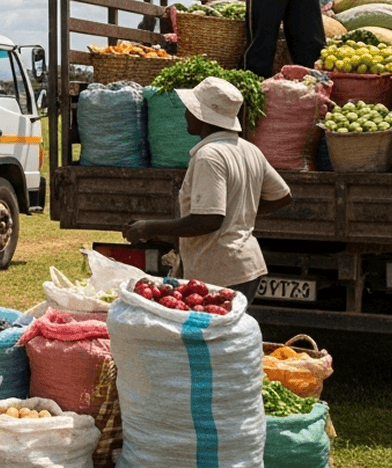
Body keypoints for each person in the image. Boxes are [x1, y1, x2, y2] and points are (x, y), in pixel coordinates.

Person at [123, 76, 292, 303]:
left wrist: (148, 227)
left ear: (203, 117)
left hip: (220, 272)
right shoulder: (249, 149)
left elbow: (208, 220)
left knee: (214, 336)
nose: (185, 114)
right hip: (245, 267)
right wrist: (239, 213)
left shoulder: (209, 155)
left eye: (190, 110)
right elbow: (282, 196)